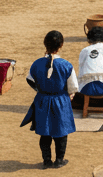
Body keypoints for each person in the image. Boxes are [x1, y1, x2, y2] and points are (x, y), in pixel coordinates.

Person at [21, 30, 78, 170]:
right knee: (61, 132)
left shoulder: (37, 64)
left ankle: (46, 160)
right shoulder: (66, 65)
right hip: (61, 101)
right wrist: (69, 95)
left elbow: (30, 80)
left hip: (42, 100)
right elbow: (73, 87)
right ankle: (59, 160)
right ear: (61, 45)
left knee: (45, 132)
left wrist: (41, 90)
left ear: (45, 44)